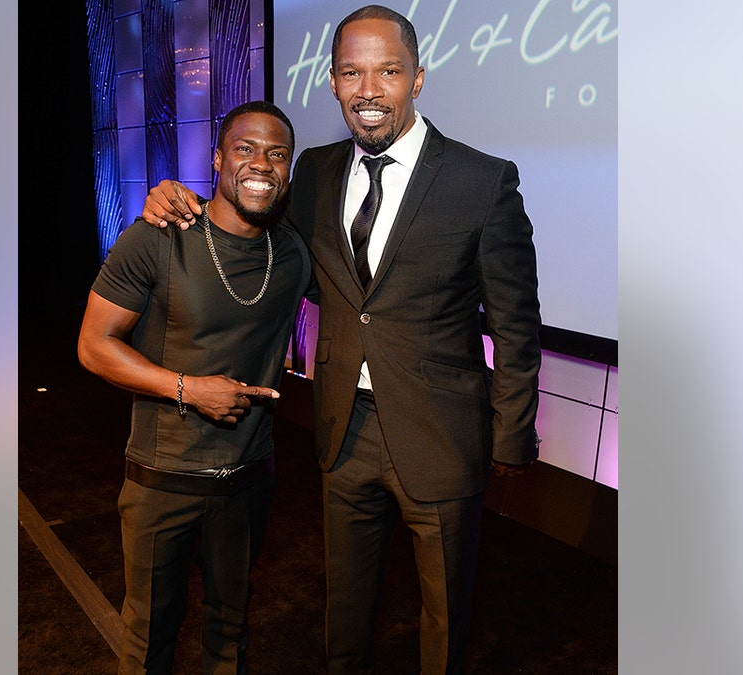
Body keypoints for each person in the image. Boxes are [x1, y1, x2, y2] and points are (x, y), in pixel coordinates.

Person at [142, 6, 541, 673]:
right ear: (331, 82)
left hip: (442, 433)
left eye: (387, 70)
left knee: (445, 616)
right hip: (342, 431)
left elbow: (516, 323)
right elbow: (248, 221)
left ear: (418, 78)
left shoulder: (482, 180)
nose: (368, 88)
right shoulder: (318, 173)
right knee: (344, 607)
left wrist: (509, 435)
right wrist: (171, 198)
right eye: (352, 72)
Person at [78, 100, 311, 674]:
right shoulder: (159, 237)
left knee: (230, 633)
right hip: (163, 482)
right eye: (245, 148)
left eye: (277, 154)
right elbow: (93, 346)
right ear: (217, 159)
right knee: (150, 638)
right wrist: (187, 388)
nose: (261, 163)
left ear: (289, 170)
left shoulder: (295, 254)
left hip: (248, 482)